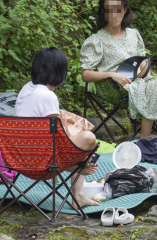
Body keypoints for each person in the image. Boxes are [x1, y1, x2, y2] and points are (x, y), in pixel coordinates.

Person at [80, 0, 157, 145]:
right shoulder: (97, 40)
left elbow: (142, 61)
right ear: (103, 12)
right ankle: (145, 140)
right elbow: (86, 74)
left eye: (118, 9)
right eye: (109, 10)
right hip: (118, 87)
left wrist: (149, 77)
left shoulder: (133, 34)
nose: (114, 14)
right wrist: (111, 75)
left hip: (141, 81)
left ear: (124, 10)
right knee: (153, 87)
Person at [14, 47, 100, 208]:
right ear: (60, 72)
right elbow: (58, 138)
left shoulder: (27, 88)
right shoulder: (48, 96)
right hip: (41, 160)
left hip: (19, 156)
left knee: (70, 122)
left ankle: (77, 177)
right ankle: (78, 192)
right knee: (88, 138)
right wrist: (78, 164)